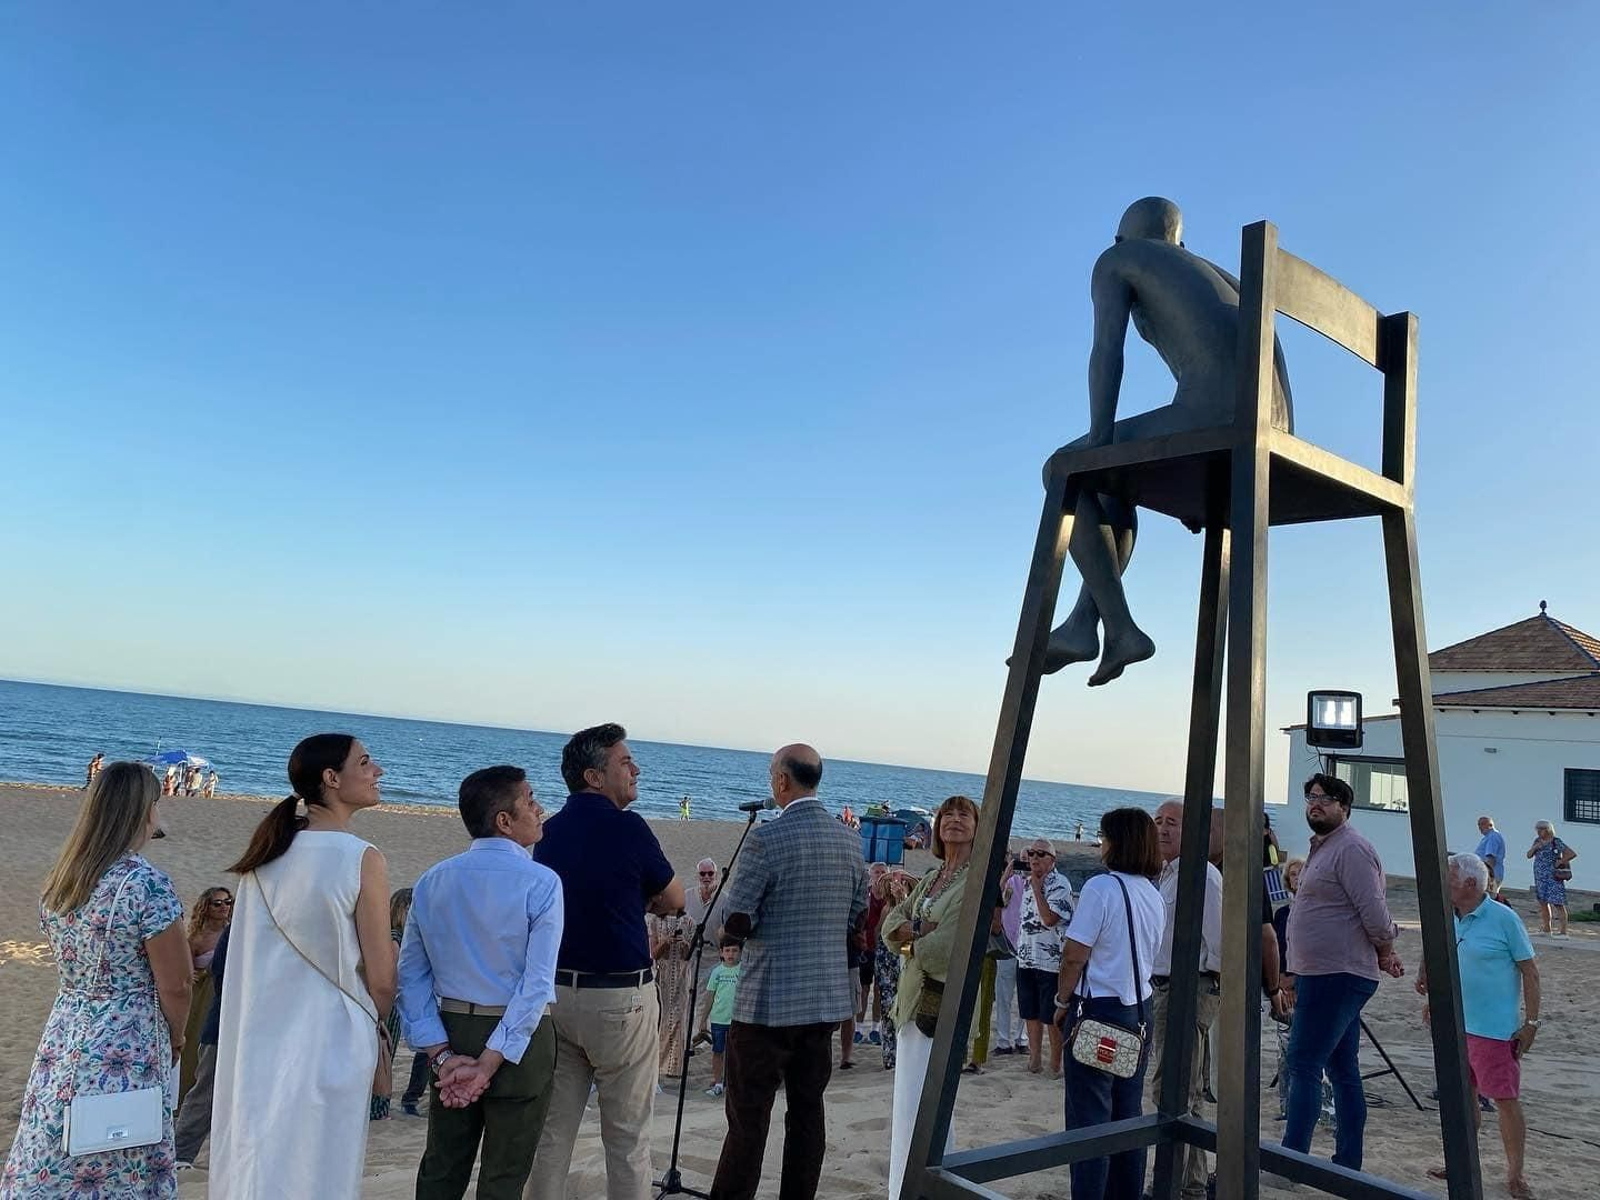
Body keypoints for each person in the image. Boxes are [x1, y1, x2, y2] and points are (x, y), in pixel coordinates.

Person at [1040, 196, 1293, 684]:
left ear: (1120, 238)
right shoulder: (1224, 276)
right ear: (1179, 241)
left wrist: (1099, 442)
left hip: (1218, 419)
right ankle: (1085, 625)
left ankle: (1118, 628)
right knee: (1110, 482)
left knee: (1062, 468)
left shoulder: (1117, 259)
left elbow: (1106, 352)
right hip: (1273, 434)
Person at [209, 734, 396, 1200]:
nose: (377, 771)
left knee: (261, 1158)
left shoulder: (265, 855)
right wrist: (378, 1019)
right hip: (334, 1035)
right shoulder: (361, 857)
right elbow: (382, 978)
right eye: (365, 762)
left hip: (258, 1033)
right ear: (331, 778)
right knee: (321, 1168)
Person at [2, 762, 189, 1199]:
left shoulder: (65, 878)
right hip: (129, 1034)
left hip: (67, 1029)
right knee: (124, 1145)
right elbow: (177, 983)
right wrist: (177, 1036)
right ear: (142, 811)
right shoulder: (146, 884)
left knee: (59, 1139)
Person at [527, 724, 684, 1200]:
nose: (636, 769)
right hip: (619, 998)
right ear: (594, 777)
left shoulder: (549, 832)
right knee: (628, 1138)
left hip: (557, 995)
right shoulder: (628, 827)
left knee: (552, 1134)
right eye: (625, 762)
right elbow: (676, 898)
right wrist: (645, 900)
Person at [710, 744, 869, 1200]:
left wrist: (726, 934)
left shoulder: (766, 838)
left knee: (748, 1120)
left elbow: (739, 920)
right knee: (807, 1113)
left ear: (781, 780)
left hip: (767, 1003)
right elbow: (857, 918)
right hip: (823, 1003)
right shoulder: (849, 840)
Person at [400, 766, 562, 1200]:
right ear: (504, 820)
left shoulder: (433, 879)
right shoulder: (542, 881)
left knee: (442, 1166)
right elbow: (537, 982)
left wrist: (440, 1054)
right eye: (530, 800)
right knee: (504, 1176)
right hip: (519, 1037)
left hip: (453, 1028)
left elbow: (411, 975)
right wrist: (490, 1061)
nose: (540, 809)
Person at [1279, 773, 1402, 1173]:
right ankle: (1347, 1162)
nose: (1315, 804)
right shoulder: (1324, 848)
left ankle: (1292, 1161)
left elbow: (1375, 914)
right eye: (1310, 797)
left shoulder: (1352, 849)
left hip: (1336, 974)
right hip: (1322, 972)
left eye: (1326, 799)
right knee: (1341, 1067)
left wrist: (1386, 949)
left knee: (1303, 1063)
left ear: (1344, 808)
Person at [1048, 808, 1164, 1200]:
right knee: (1126, 1115)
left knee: (1089, 1119)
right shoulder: (1152, 894)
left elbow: (1074, 956)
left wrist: (1061, 999)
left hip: (1100, 1010)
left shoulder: (1102, 888)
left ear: (1116, 841)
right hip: (1139, 1009)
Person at [1416, 853, 1539, 1199]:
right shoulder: (1449, 916)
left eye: (1450, 877)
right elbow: (1445, 955)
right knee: (1462, 1096)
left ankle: (1515, 1175)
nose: (1444, 883)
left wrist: (1531, 1023)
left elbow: (1530, 972)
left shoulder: (1504, 919)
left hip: (1493, 1030)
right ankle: (1460, 1161)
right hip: (1454, 1023)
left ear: (1470, 883)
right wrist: (1430, 986)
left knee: (1504, 1099)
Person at [881, 795, 980, 1200]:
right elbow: (890, 927)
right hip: (911, 1004)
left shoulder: (973, 881)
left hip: (941, 1007)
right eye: (947, 814)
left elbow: (946, 948)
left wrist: (911, 936)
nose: (954, 819)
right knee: (907, 1107)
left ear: (977, 826)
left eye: (963, 813)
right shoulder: (932, 877)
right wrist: (919, 931)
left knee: (931, 1109)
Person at [1148, 801, 1224, 1199]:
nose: (1162, 829)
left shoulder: (1202, 876)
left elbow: (1221, 940)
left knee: (1176, 1089)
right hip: (1164, 987)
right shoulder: (1166, 874)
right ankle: (1188, 1184)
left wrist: (1206, 987)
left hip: (1189, 987)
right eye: (1158, 821)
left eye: (1172, 823)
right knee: (1179, 1090)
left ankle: (1181, 1185)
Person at [1016, 837, 1075, 1077]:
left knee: (1051, 1016)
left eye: (1041, 854)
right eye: (1031, 853)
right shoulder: (1027, 882)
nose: (1034, 858)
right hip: (1026, 957)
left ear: (1053, 859)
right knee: (1029, 1012)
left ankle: (1055, 1064)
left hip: (1051, 962)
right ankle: (1035, 1059)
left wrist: (1038, 889)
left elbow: (1050, 919)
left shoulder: (1060, 884)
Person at [173, 923, 230, 1168]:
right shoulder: (237, 930)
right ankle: (180, 1154)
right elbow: (220, 973)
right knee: (205, 1092)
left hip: (259, 1032)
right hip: (222, 1027)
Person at [178, 886, 234, 1102]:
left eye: (227, 902)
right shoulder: (197, 938)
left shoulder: (235, 933)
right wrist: (195, 975)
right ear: (206, 907)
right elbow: (184, 970)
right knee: (196, 1044)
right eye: (217, 903)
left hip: (226, 995)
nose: (223, 907)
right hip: (202, 1000)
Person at [372, 887, 414, 1121]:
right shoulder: (395, 938)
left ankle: (379, 1107)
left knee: (383, 1055)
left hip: (389, 1005)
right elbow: (391, 976)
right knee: (384, 1055)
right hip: (389, 1007)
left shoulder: (390, 936)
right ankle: (378, 1109)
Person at [871, 868, 914, 1070]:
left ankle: (897, 1054)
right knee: (889, 1007)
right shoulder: (887, 909)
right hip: (888, 961)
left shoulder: (907, 908)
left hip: (900, 960)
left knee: (901, 1007)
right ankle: (891, 1055)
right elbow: (881, 933)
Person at [650, 907, 696, 1083]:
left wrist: (684, 944)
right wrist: (666, 942)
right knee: (661, 1018)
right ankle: (659, 1064)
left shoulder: (689, 921)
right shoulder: (655, 921)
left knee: (679, 1019)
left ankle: (675, 1067)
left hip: (682, 976)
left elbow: (689, 955)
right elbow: (654, 954)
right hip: (663, 976)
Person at [991, 852, 1027, 1054]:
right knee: (1003, 996)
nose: (1027, 862)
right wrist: (1006, 874)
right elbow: (995, 897)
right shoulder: (1010, 882)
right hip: (1008, 944)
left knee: (1025, 998)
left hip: (1028, 949)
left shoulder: (1039, 885)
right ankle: (1003, 1041)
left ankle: (1021, 1039)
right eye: (1024, 858)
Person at [700, 937, 743, 1097]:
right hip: (718, 1020)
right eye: (727, 950)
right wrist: (703, 1019)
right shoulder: (717, 972)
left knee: (736, 1053)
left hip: (738, 1020)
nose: (731, 954)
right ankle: (718, 1083)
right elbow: (710, 997)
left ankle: (734, 1082)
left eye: (734, 950)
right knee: (718, 1051)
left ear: (741, 952)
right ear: (721, 952)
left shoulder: (743, 971)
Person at [1528, 820, 1577, 937]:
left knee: (1558, 903)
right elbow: (1529, 855)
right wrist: (1535, 847)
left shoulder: (1556, 842)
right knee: (1543, 902)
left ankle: (1563, 932)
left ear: (1548, 830)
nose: (1539, 832)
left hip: (1553, 877)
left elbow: (1571, 853)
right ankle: (1547, 929)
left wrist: (1560, 861)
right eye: (1537, 829)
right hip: (1540, 877)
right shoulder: (1537, 841)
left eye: (1541, 829)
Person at [1475, 816, 1507, 898]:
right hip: (1490, 876)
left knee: (1487, 900)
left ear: (1490, 825)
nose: (1479, 827)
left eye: (1482, 824)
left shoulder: (1493, 836)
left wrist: (1487, 877)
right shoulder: (1489, 837)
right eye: (1478, 825)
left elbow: (1491, 859)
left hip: (1490, 877)